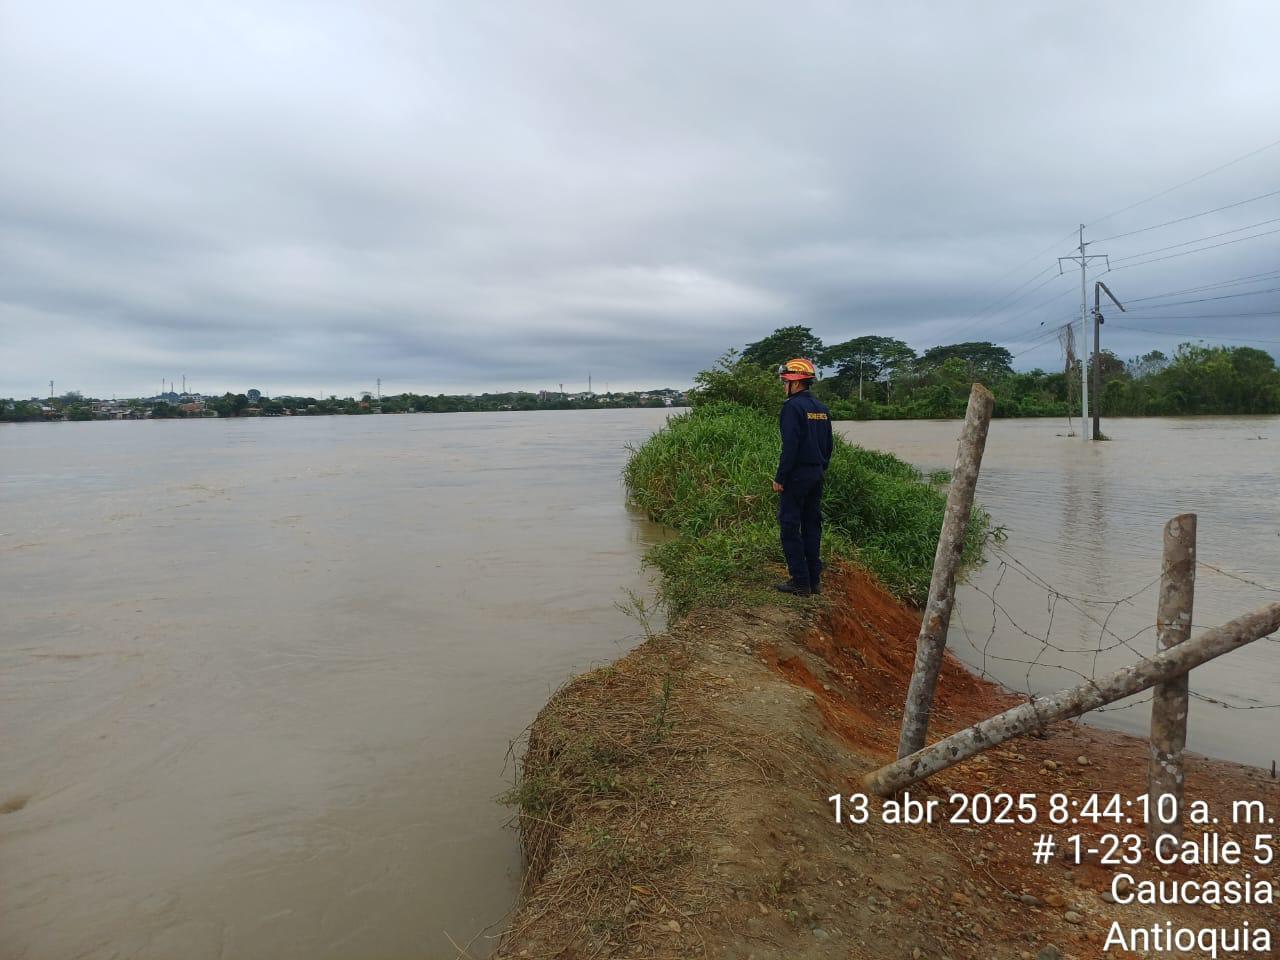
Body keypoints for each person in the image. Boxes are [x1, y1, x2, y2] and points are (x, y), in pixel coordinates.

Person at [772, 357, 832, 595]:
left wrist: (780, 477)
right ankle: (814, 580)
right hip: (816, 473)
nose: (783, 385)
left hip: (796, 475)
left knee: (789, 525)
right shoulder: (821, 408)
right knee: (811, 524)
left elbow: (790, 447)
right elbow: (828, 446)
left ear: (795, 383)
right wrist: (820, 468)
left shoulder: (792, 408)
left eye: (785, 381)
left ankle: (799, 580)